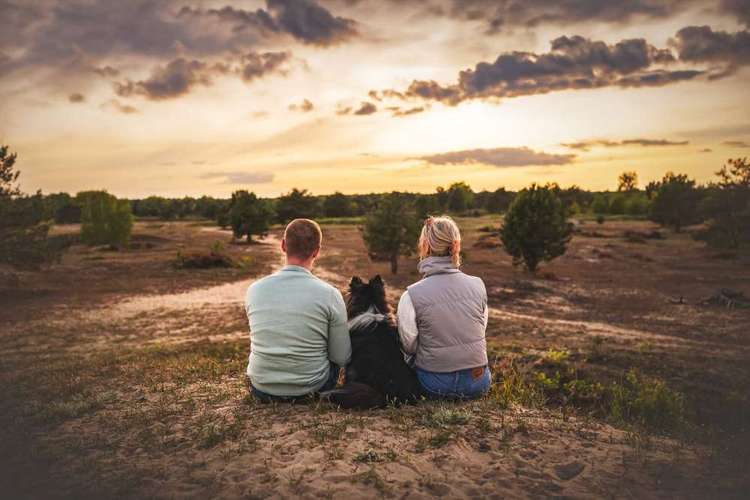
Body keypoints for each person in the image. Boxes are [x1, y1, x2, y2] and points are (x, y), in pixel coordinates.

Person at [245, 218, 351, 402]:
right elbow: (341, 357)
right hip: (312, 388)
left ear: (283, 245)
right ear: (317, 251)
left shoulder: (254, 290)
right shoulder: (330, 294)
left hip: (262, 387)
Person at [397, 215, 490, 399]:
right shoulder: (478, 285)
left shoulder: (411, 295)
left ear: (425, 246)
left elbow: (409, 346)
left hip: (433, 384)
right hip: (478, 383)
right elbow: (481, 328)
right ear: (456, 246)